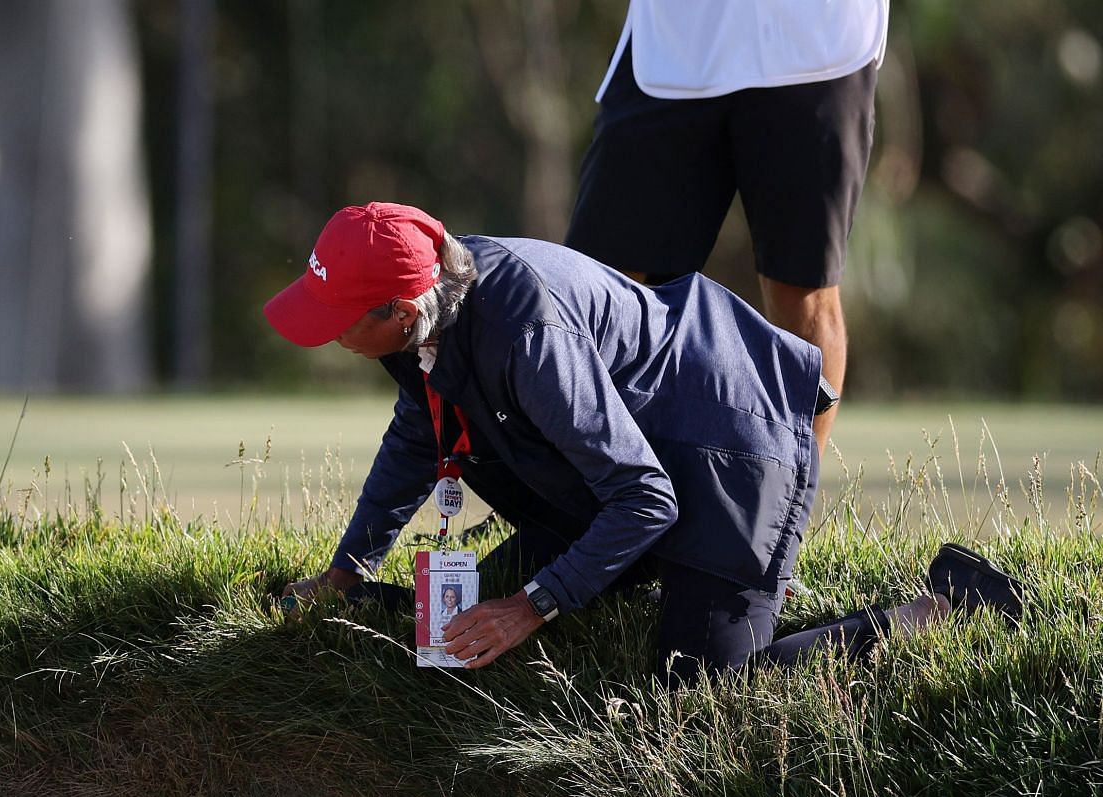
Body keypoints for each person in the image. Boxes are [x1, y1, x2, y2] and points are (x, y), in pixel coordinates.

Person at [268, 202, 1021, 683]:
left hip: (728, 451)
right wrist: (347, 570)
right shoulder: (432, 308)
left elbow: (646, 497)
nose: (327, 334)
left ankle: (946, 608)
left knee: (708, 687)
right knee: (471, 614)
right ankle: (678, 582)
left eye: (339, 318)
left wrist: (530, 608)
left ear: (401, 311)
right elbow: (416, 436)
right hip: (628, 459)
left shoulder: (527, 336)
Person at [564, 0, 889, 455]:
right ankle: (560, 504)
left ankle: (789, 511)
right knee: (595, 283)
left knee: (802, 288)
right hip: (677, 42)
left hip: (814, 44)